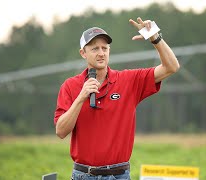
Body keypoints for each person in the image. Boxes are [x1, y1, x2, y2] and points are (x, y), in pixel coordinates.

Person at [54, 17, 180, 180]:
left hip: (119, 175)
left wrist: (155, 37)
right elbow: (61, 131)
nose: (101, 53)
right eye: (94, 49)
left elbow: (171, 67)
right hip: (83, 175)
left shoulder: (128, 80)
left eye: (104, 48)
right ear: (83, 53)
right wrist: (81, 97)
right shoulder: (70, 86)